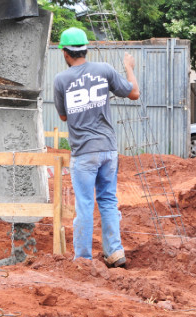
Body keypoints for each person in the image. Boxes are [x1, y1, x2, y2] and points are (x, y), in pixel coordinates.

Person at [53, 27, 140, 267]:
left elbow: (63, 117)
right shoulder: (104, 70)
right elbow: (134, 93)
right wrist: (129, 67)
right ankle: (115, 253)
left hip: (84, 153)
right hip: (108, 150)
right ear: (85, 49)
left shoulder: (61, 80)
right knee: (108, 200)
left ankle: (83, 259)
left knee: (84, 204)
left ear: (65, 53)